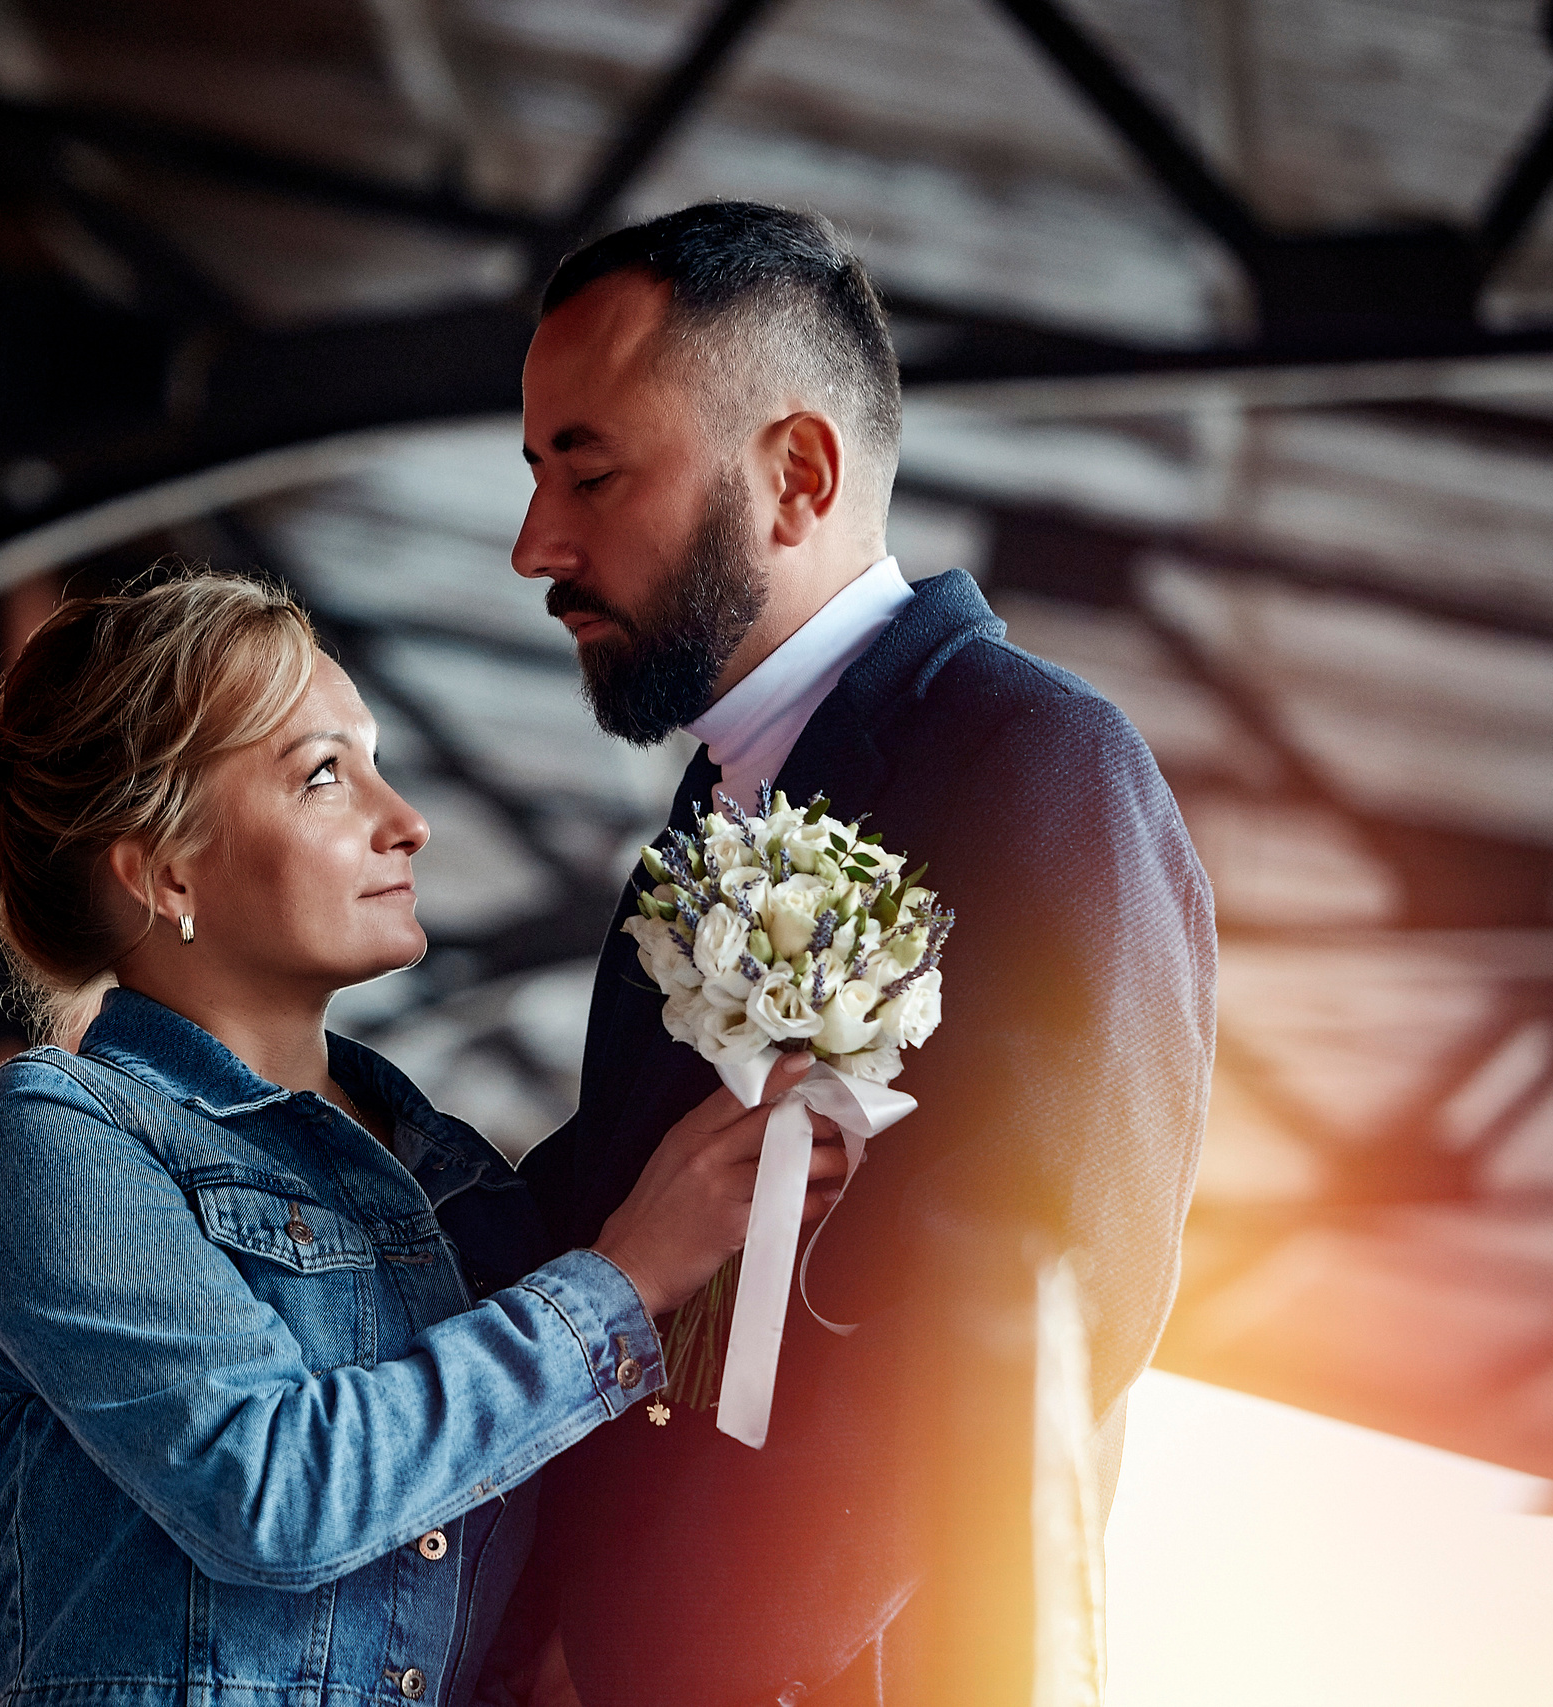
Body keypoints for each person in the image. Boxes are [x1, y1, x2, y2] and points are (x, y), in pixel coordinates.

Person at [506, 203, 1216, 1705]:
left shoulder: (1043, 767)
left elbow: (1028, 1320)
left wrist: (640, 1664)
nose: (535, 547)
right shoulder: (697, 831)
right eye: (533, 477)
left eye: (591, 471)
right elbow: (588, 1221)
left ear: (797, 474)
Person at [0, 572, 852, 1707]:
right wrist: (622, 1281)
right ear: (166, 872)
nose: (405, 819)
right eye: (323, 776)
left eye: (373, 759)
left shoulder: (459, 1181)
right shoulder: (57, 1137)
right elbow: (274, 1489)